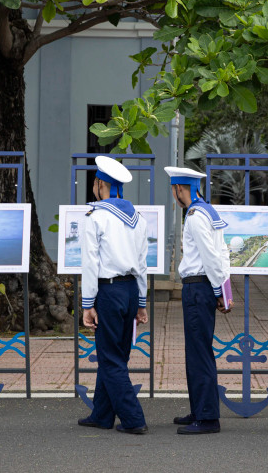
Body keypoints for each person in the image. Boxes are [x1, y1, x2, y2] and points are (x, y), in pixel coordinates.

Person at [77, 155, 149, 435]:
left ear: (100, 184)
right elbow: (142, 264)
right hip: (131, 289)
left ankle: (133, 419)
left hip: (108, 290)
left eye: (96, 183)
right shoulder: (138, 218)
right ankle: (102, 415)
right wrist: (141, 303)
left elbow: (90, 263)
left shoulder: (96, 217)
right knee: (118, 353)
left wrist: (87, 304)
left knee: (110, 358)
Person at [165, 166, 231, 435]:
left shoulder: (194, 216)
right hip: (206, 286)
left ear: (181, 189)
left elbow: (210, 256)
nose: (174, 195)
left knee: (199, 353)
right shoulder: (208, 211)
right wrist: (223, 288)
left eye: (174, 190)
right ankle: (199, 410)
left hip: (198, 288)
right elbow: (223, 253)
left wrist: (218, 291)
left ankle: (207, 418)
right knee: (197, 351)